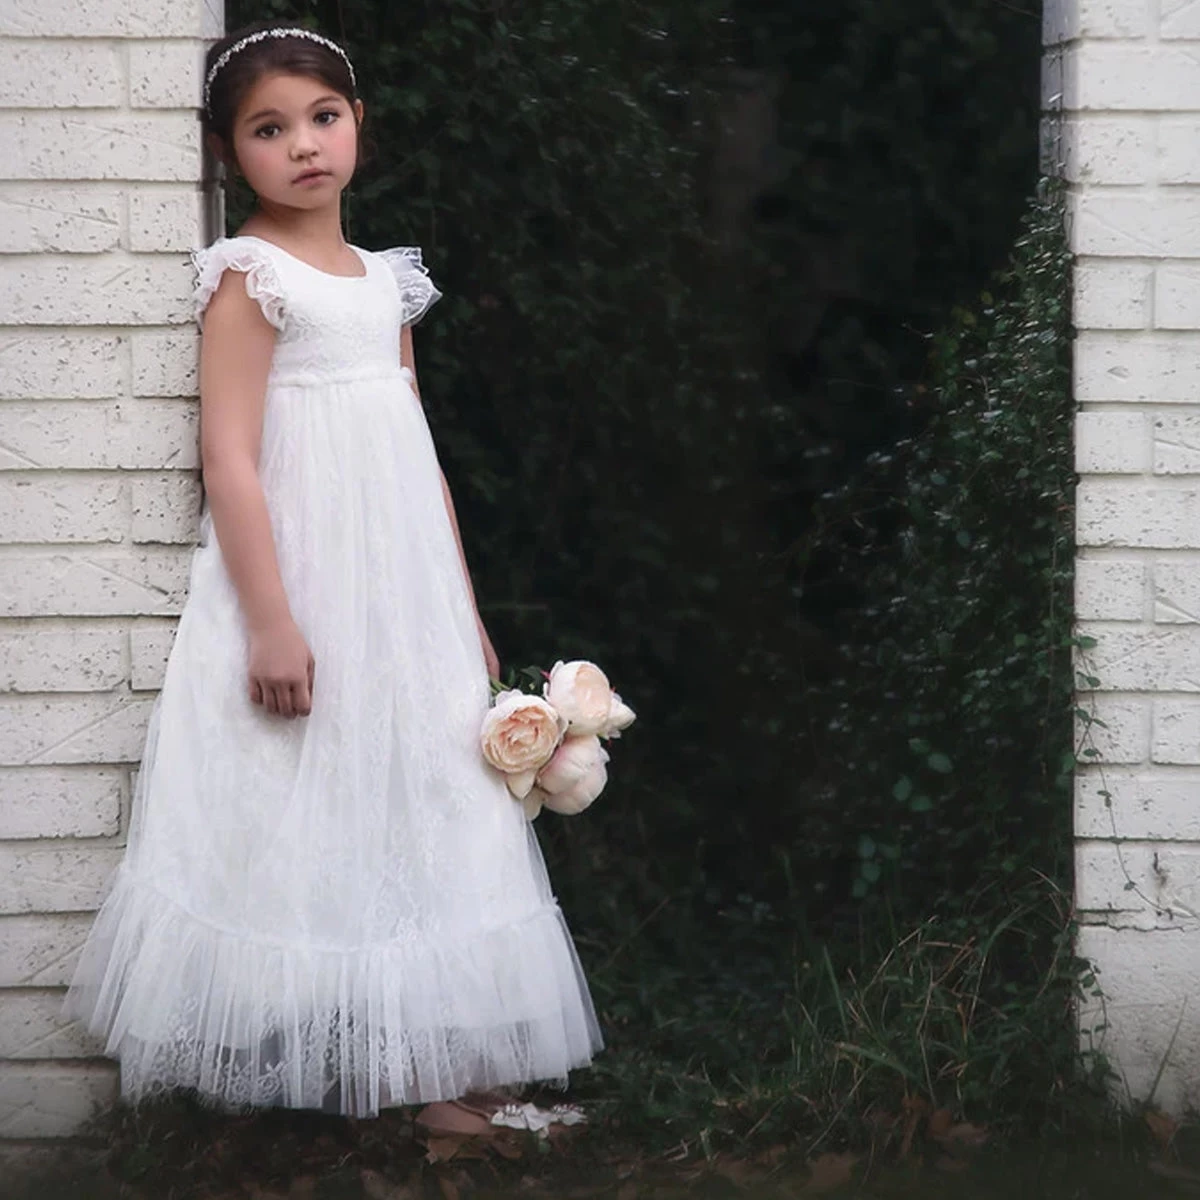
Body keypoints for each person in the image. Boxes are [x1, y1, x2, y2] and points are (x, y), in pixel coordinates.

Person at [63, 20, 603, 1129]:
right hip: (308, 582)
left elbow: (416, 450)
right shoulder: (250, 277)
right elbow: (229, 459)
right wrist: (272, 622)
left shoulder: (381, 283)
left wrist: (464, 613)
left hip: (403, 588)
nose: (303, 145)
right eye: (269, 130)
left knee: (433, 796)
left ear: (359, 123)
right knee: (318, 801)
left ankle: (445, 1060)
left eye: (321, 117)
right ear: (228, 154)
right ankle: (379, 1072)